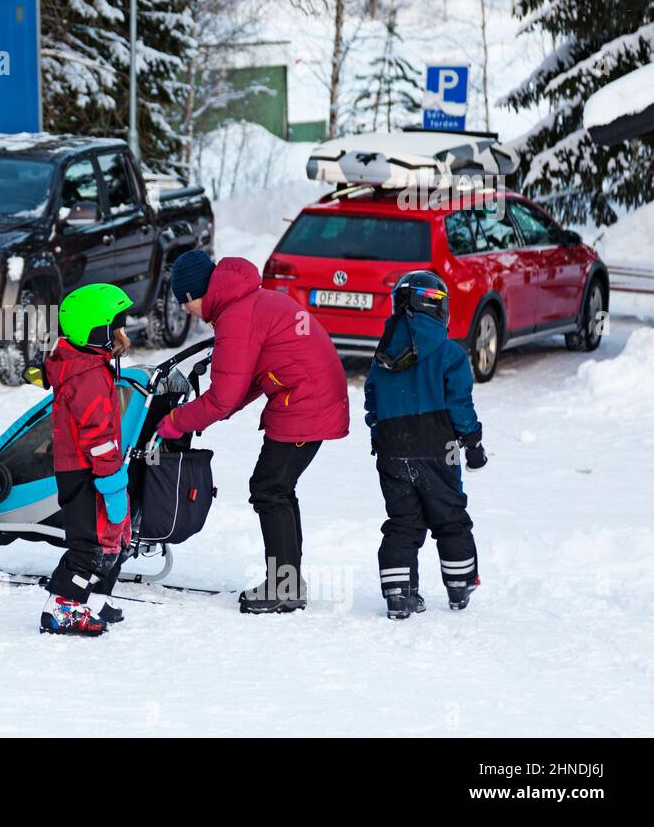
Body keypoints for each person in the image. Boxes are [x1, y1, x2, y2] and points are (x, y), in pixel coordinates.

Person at [155, 251, 349, 613]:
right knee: (278, 489)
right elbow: (248, 380)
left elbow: (222, 397)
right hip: (312, 397)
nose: (186, 311)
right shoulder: (250, 301)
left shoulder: (236, 317)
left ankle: (284, 587)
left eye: (185, 302)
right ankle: (288, 582)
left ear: (193, 295)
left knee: (269, 489)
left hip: (306, 403)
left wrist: (177, 421)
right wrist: (221, 409)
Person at [365, 271, 484, 620]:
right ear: (435, 306)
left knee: (403, 520)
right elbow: (459, 403)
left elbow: (372, 402)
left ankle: (399, 592)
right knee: (449, 516)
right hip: (438, 446)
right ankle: (460, 585)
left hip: (391, 448)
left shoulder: (383, 354)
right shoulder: (449, 352)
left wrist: (378, 437)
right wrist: (473, 440)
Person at [39, 283, 134, 637]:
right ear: (98, 331)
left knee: (116, 536)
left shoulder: (86, 363)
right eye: (118, 327)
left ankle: (91, 598)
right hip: (88, 472)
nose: (123, 334)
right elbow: (98, 438)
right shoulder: (89, 376)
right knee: (93, 545)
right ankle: (60, 607)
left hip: (87, 469)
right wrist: (112, 483)